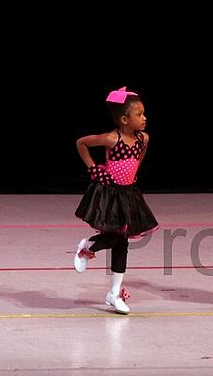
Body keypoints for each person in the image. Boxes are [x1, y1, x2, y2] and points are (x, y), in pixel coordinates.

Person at [73, 86, 159, 315]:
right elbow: (81, 143)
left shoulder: (144, 139)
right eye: (139, 114)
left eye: (144, 113)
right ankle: (88, 246)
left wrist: (132, 175)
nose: (144, 118)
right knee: (114, 237)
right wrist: (94, 170)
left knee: (122, 243)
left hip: (129, 194)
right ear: (124, 119)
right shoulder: (112, 139)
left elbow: (138, 159)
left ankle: (114, 293)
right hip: (110, 194)